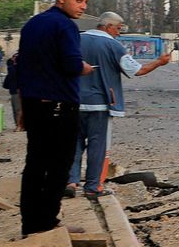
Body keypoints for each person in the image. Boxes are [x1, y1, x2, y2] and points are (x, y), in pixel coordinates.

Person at [17, 0, 95, 236]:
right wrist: (83, 68)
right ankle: (48, 222)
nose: (82, 6)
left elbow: (22, 66)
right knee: (60, 165)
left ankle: (30, 223)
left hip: (33, 103)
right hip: (60, 105)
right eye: (78, 0)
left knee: (35, 164)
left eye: (85, 1)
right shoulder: (65, 25)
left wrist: (22, 106)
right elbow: (72, 65)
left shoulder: (32, 24)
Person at [69, 11, 172, 197]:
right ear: (108, 26)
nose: (119, 33)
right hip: (101, 104)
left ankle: (71, 181)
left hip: (73, 102)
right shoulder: (112, 45)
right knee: (97, 146)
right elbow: (137, 71)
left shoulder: (75, 39)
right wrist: (160, 62)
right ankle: (93, 187)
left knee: (73, 144)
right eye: (118, 29)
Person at [2, 51, 22, 130]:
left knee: (18, 109)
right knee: (17, 109)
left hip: (18, 90)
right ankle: (18, 125)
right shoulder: (12, 68)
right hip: (15, 90)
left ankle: (19, 125)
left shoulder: (15, 69)